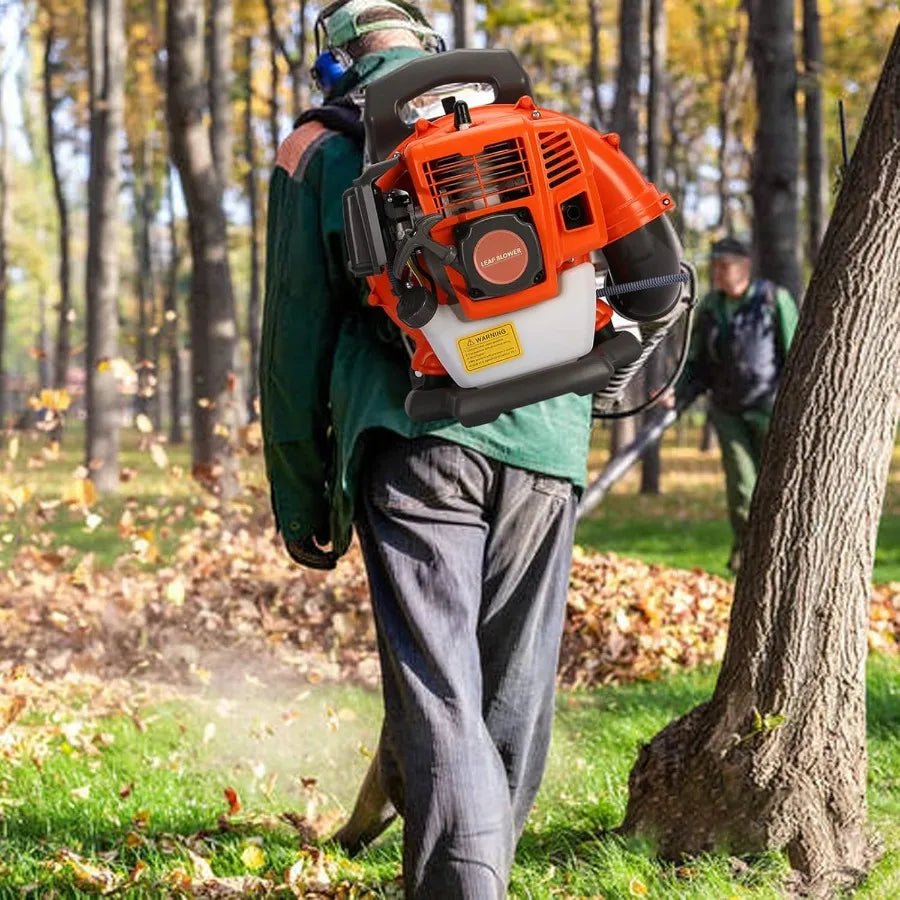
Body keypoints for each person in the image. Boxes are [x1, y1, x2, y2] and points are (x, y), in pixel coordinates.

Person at [259, 2, 593, 896]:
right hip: (547, 435)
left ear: (333, 67)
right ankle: (470, 873)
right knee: (511, 687)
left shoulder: (318, 151)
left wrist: (302, 502)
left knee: (439, 693)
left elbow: (293, 338)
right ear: (430, 51)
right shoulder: (522, 123)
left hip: (416, 438)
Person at [673, 236, 798, 573]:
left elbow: (795, 357)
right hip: (727, 410)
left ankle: (781, 555)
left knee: (777, 486)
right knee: (742, 486)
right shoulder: (712, 307)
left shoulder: (773, 299)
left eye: (724, 265)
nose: (718, 272)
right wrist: (676, 393)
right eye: (714, 266)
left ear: (744, 267)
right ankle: (748, 558)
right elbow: (696, 360)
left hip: (769, 409)